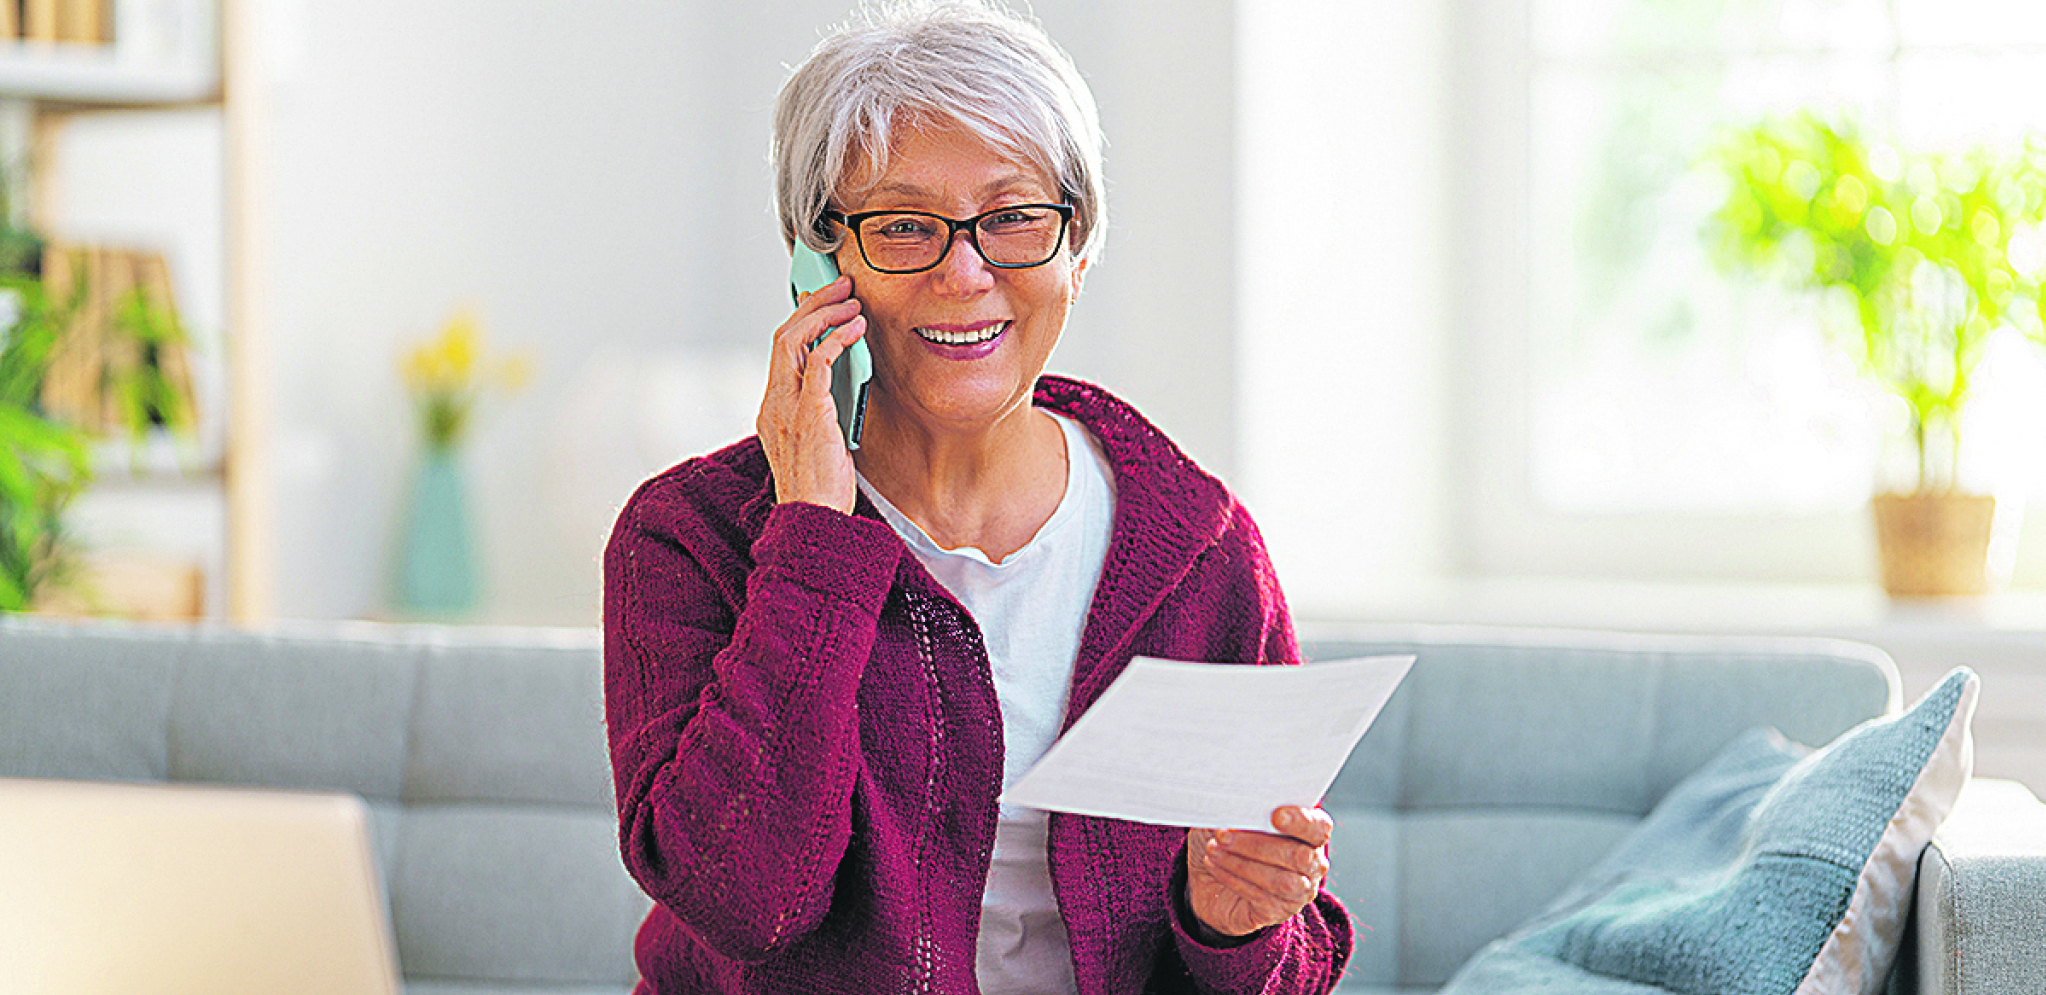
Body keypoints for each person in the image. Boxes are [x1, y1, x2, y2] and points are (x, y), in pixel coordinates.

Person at [601, 2, 1353, 992]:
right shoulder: (687, 536)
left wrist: (1229, 920)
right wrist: (812, 536)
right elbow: (744, 900)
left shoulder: (1200, 549)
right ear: (818, 261)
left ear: (1077, 245)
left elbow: (1292, 957)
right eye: (904, 225)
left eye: (1012, 219)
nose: (966, 273)